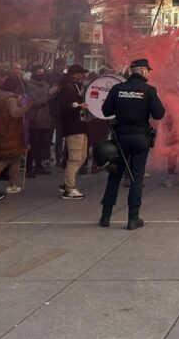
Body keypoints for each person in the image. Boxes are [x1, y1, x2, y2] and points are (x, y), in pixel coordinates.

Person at [100, 58, 166, 229]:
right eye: (148, 71)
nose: (149, 74)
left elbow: (106, 111)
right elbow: (159, 114)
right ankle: (133, 218)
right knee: (136, 178)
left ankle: (105, 216)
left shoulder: (117, 89)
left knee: (114, 176)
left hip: (120, 137)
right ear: (142, 71)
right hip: (140, 138)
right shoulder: (149, 90)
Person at [0, 79, 32, 195]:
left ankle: (12, 183)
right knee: (10, 158)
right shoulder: (11, 99)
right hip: (12, 132)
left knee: (15, 158)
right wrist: (26, 107)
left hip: (2, 131)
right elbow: (15, 113)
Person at [56, 64, 90, 199]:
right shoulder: (68, 88)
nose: (82, 75)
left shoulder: (75, 86)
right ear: (73, 74)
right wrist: (79, 105)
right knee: (75, 159)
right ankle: (69, 188)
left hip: (79, 127)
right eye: (80, 73)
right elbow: (65, 106)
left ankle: (66, 183)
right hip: (73, 127)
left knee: (82, 157)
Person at [22, 65, 54, 177]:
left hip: (45, 119)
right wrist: (49, 95)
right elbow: (35, 102)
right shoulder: (30, 86)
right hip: (35, 119)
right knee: (33, 145)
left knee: (42, 144)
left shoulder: (46, 85)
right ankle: (29, 167)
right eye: (39, 72)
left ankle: (39, 165)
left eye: (43, 72)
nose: (41, 74)